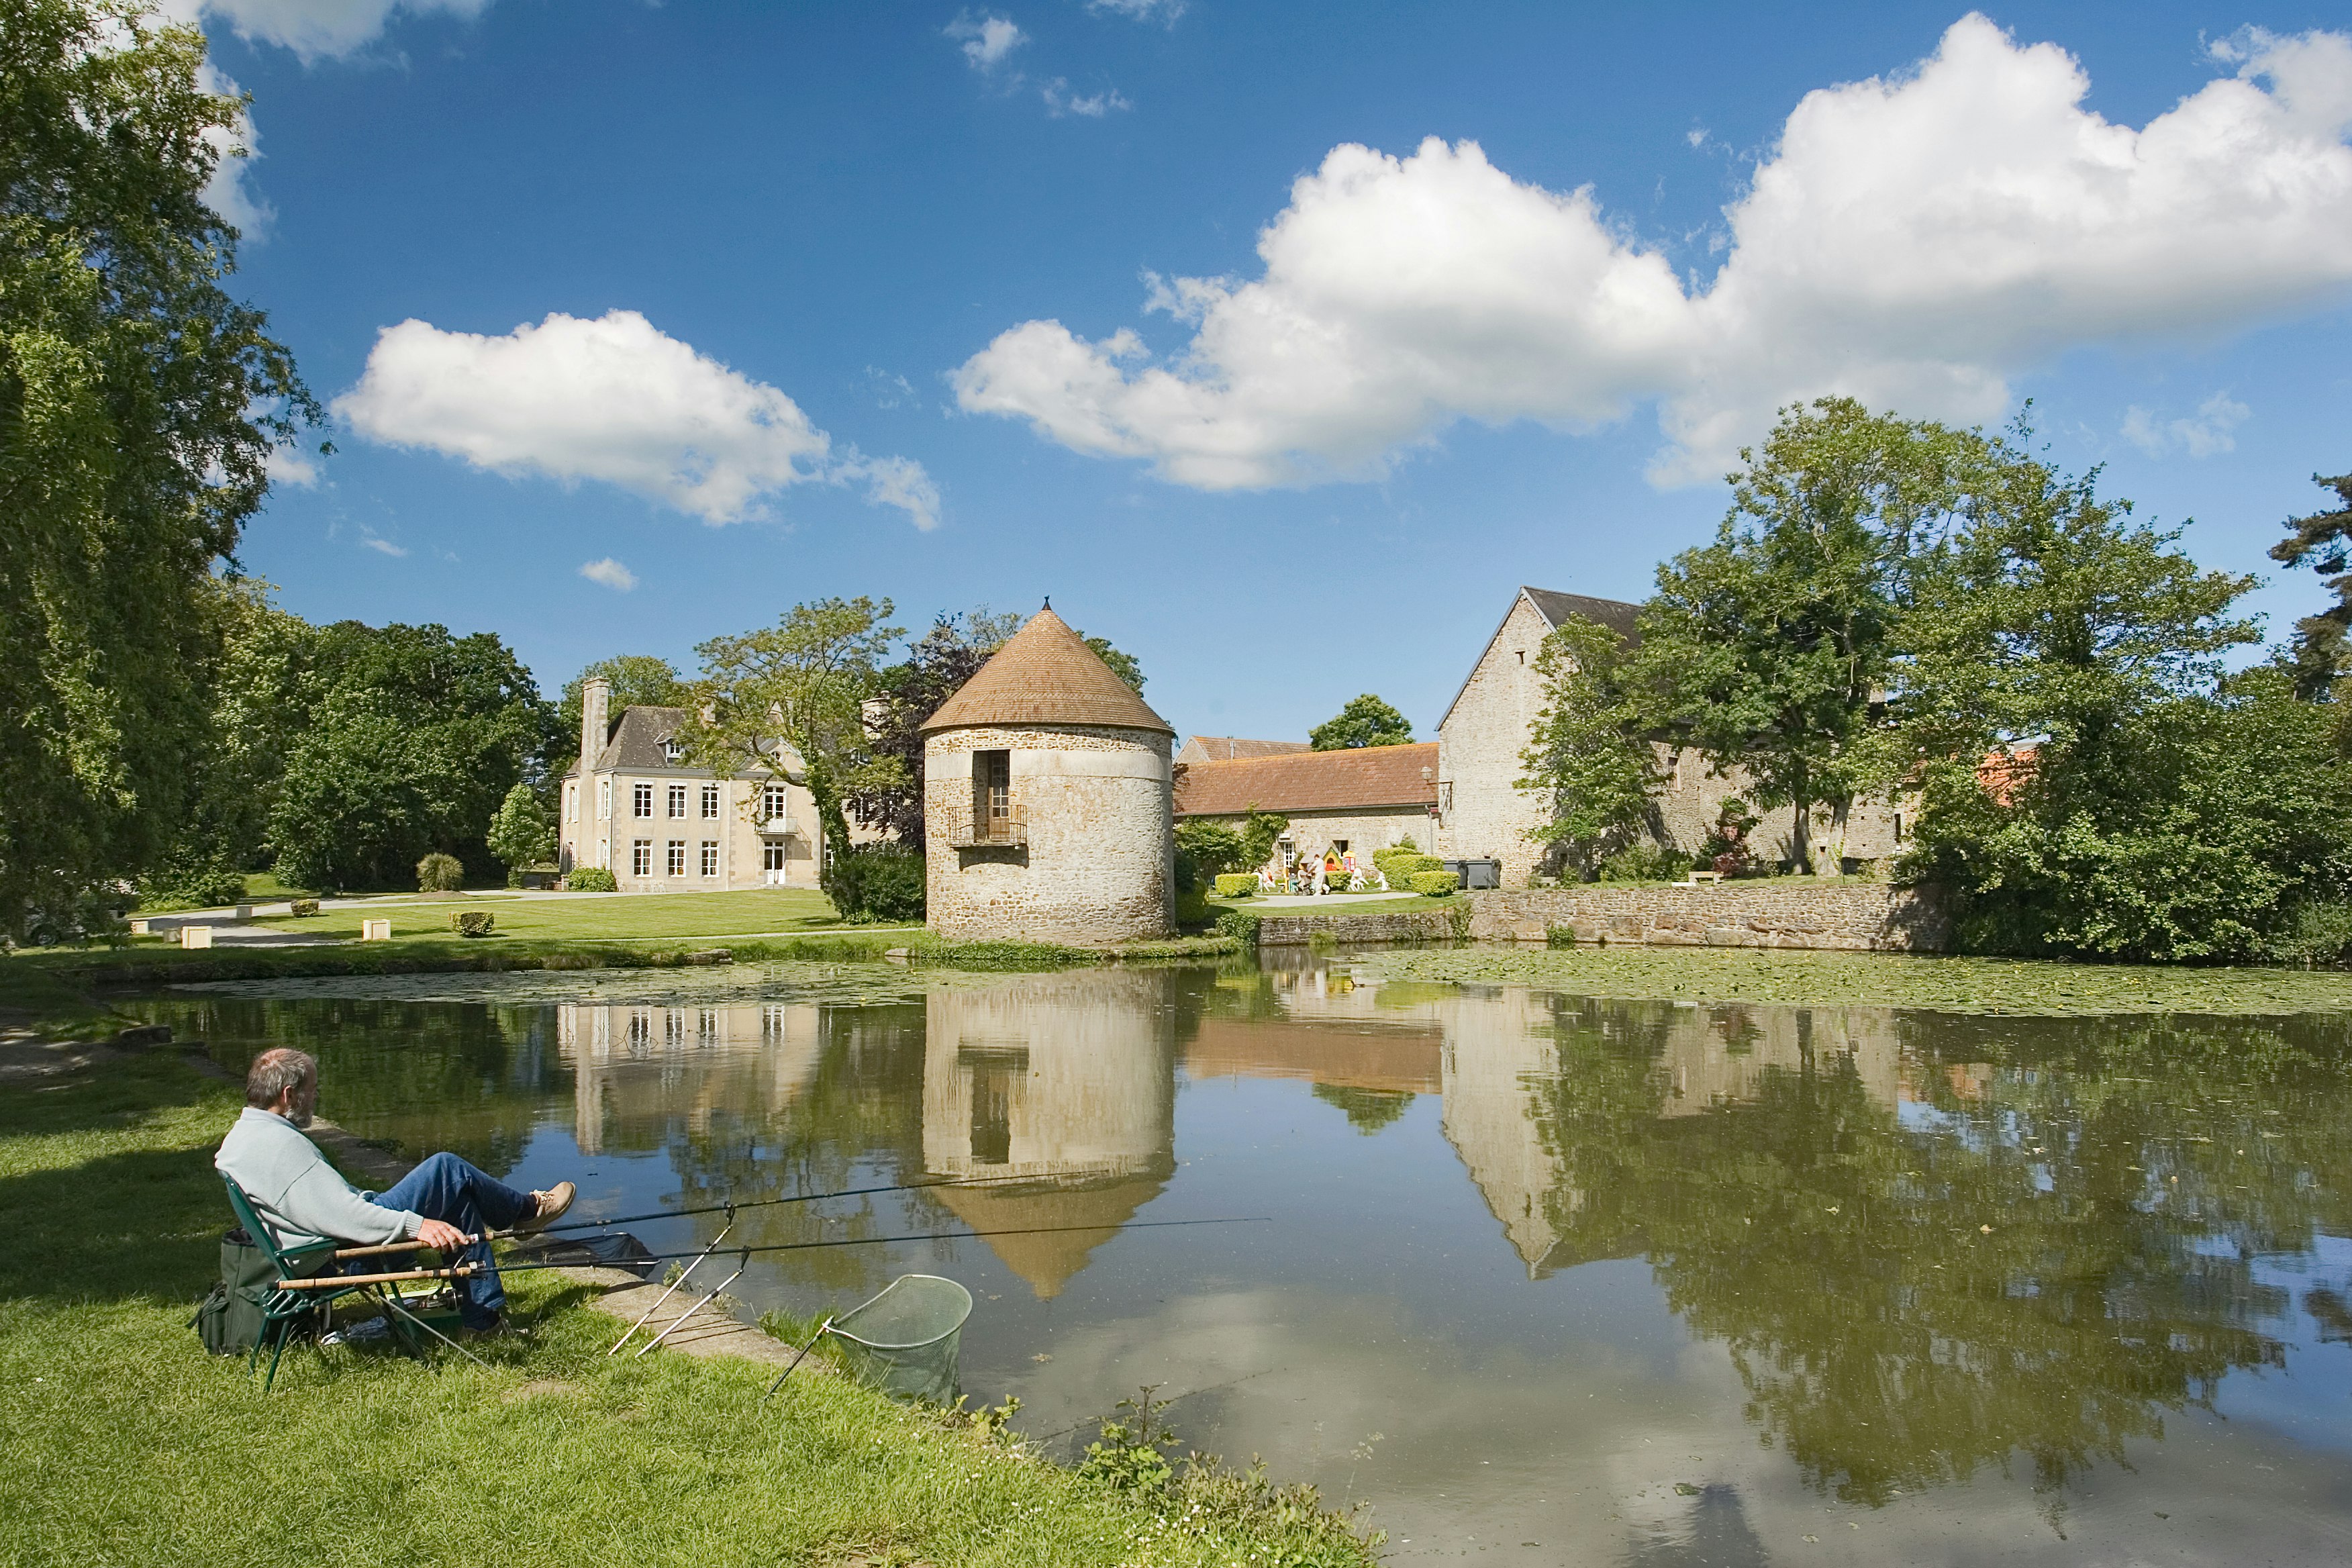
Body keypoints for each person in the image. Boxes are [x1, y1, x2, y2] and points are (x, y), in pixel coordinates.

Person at [215, 1047, 574, 1335]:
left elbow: (324, 1207)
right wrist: (417, 1226)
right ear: (289, 1094)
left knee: (457, 1198)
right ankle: (525, 1212)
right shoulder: (281, 1148)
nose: (316, 1097)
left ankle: (485, 1320)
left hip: (316, 1253)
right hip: (339, 1260)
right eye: (313, 1090)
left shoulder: (244, 1137)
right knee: (446, 1169)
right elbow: (342, 1217)